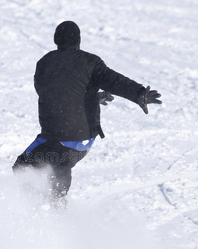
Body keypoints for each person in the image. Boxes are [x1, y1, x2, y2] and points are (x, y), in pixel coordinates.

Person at [12, 21, 161, 206]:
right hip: (82, 144)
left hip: (55, 141)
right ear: (79, 41)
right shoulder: (90, 62)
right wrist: (139, 94)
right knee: (63, 163)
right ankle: (58, 205)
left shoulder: (43, 64)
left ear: (56, 40)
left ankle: (32, 210)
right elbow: (114, 81)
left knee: (22, 167)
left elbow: (50, 93)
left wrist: (89, 97)